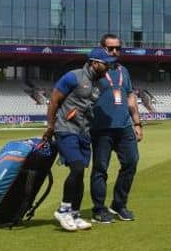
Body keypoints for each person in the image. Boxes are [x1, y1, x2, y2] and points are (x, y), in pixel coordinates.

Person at [43, 47, 117, 231]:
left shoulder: (99, 84)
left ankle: (74, 214)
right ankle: (63, 210)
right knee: (76, 168)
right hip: (65, 129)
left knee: (81, 172)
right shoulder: (73, 77)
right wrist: (51, 126)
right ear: (94, 62)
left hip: (84, 132)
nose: (108, 66)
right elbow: (54, 100)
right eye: (105, 63)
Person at [90, 34, 143, 223]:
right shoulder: (94, 70)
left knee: (131, 162)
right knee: (100, 168)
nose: (114, 52)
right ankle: (98, 209)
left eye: (117, 48)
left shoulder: (123, 71)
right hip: (101, 128)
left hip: (124, 126)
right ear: (102, 48)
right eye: (110, 48)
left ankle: (119, 205)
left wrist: (137, 123)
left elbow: (130, 97)